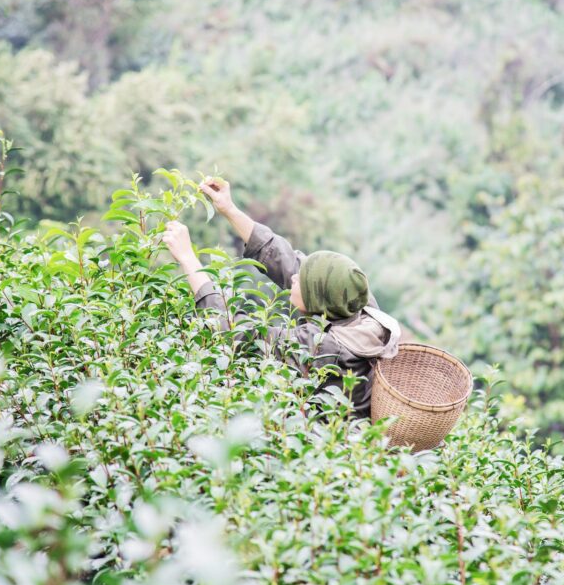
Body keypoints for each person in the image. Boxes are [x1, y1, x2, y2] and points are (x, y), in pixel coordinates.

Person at [161, 177, 401, 418]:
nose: (295, 278)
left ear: (317, 300)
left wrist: (187, 257)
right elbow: (286, 260)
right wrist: (229, 209)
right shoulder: (357, 305)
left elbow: (235, 332)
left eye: (302, 280)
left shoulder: (324, 348)